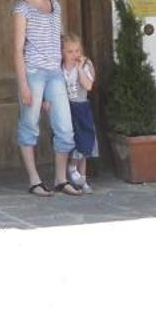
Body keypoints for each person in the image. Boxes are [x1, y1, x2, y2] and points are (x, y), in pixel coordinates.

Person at [12, 0, 79, 196]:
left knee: (65, 128)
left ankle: (61, 178)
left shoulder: (55, 5)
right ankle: (34, 180)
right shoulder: (22, 8)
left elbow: (57, 39)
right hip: (33, 73)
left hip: (55, 74)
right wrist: (23, 85)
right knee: (29, 125)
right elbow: (18, 48)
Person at [60, 32, 97, 193]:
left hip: (81, 106)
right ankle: (68, 177)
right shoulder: (59, 67)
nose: (74, 55)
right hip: (65, 107)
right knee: (69, 141)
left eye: (77, 51)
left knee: (84, 141)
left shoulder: (85, 64)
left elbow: (88, 86)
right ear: (62, 52)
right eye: (70, 51)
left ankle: (81, 176)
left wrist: (80, 69)